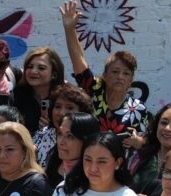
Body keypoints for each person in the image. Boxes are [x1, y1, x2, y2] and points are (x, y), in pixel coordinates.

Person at [61, 1, 150, 145]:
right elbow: (78, 59)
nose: (120, 77)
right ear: (105, 75)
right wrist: (70, 29)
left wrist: (137, 141)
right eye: (115, 71)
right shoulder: (95, 90)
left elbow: (147, 143)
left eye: (126, 73)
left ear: (131, 80)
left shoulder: (138, 108)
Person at [33, 83, 93, 169]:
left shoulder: (89, 141)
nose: (62, 113)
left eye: (70, 108)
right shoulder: (40, 135)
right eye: (57, 107)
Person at [11, 47, 65, 136]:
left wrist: (52, 129)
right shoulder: (17, 95)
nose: (33, 71)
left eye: (41, 68)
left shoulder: (64, 98)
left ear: (54, 75)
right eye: (30, 67)